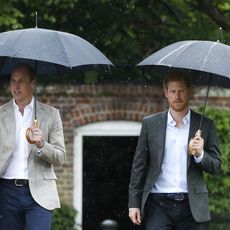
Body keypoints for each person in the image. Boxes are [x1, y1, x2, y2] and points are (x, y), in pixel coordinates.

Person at [128, 71, 221, 230]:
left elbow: (216, 166)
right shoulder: (150, 124)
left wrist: (200, 155)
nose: (177, 96)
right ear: (165, 93)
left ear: (190, 91)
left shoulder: (205, 124)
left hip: (192, 206)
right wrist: (134, 204)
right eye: (172, 91)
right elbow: (139, 166)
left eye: (181, 91)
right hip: (158, 205)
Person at [0, 64, 66, 230]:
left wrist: (42, 144)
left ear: (33, 83)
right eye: (13, 81)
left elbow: (60, 157)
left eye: (21, 81)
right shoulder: (1, 114)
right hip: (6, 192)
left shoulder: (51, 114)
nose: (15, 86)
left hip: (39, 192)